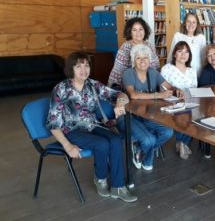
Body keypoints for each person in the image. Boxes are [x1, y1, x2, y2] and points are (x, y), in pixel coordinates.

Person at [46, 51, 137, 203]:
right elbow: (53, 123)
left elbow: (120, 95)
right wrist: (67, 146)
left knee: (115, 140)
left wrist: (119, 103)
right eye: (78, 66)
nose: (84, 70)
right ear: (71, 69)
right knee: (102, 144)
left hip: (92, 125)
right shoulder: (61, 89)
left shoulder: (93, 85)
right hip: (71, 130)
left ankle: (118, 187)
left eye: (86, 65)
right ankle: (100, 179)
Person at [117, 44, 175, 171]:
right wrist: (158, 94)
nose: (143, 61)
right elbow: (133, 95)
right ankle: (146, 155)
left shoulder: (153, 72)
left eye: (145, 58)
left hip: (148, 115)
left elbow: (169, 86)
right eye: (138, 58)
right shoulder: (128, 73)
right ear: (133, 61)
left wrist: (179, 90)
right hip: (129, 117)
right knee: (149, 140)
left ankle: (139, 149)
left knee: (168, 132)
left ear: (150, 60)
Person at [161, 41, 197, 160]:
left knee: (194, 118)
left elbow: (194, 88)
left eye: (186, 51)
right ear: (175, 54)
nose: (183, 54)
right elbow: (162, 88)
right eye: (180, 51)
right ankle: (183, 143)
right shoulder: (167, 68)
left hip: (189, 103)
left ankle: (182, 143)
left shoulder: (192, 70)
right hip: (172, 103)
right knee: (183, 116)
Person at [108, 17, 160, 89]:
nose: (138, 33)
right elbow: (118, 72)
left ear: (145, 31)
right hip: (130, 87)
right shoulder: (126, 47)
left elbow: (156, 67)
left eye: (141, 29)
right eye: (134, 30)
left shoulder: (149, 45)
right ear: (130, 32)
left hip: (149, 85)